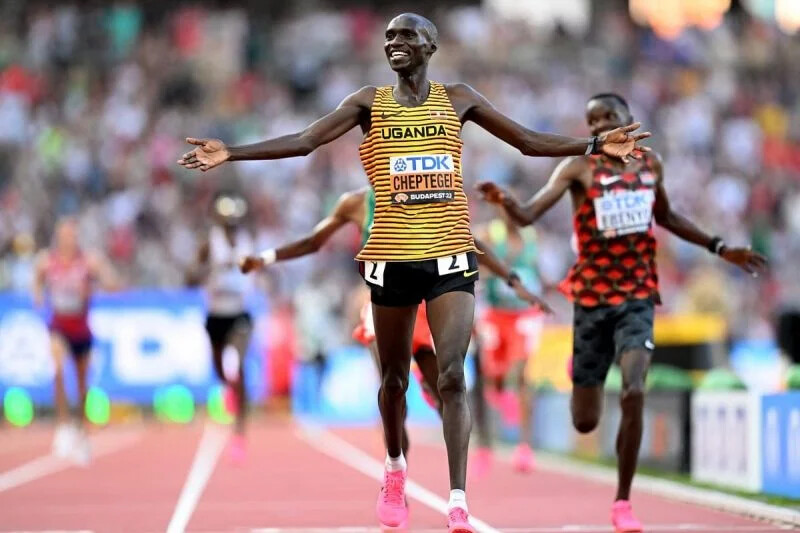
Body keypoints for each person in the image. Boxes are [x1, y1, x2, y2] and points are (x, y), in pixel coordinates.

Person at [178, 13, 648, 531]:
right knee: (395, 380)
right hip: (391, 259)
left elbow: (527, 141)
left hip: (450, 255)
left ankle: (457, 500)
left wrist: (592, 145)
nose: (394, 43)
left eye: (405, 36)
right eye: (388, 37)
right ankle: (395, 466)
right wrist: (233, 153)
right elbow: (306, 140)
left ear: (430, 45)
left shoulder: (459, 98)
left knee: (453, 377)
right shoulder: (367, 103)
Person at [477, 92, 767, 533]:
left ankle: (623, 502)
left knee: (634, 390)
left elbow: (668, 217)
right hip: (591, 301)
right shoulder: (577, 167)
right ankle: (583, 367)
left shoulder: (650, 166)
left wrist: (719, 246)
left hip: (637, 296)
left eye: (608, 117)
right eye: (592, 121)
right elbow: (529, 215)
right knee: (585, 420)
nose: (600, 126)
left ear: (630, 119)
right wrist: (505, 202)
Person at [239, 186, 550, 457]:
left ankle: (431, 391)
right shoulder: (356, 203)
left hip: (425, 304)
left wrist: (512, 279)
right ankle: (397, 472)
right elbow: (314, 241)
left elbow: (470, 243)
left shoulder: (425, 197)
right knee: (393, 389)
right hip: (383, 302)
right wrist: (265, 258)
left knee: (446, 396)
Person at [32, 217, 121, 465]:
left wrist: (103, 278)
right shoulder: (47, 261)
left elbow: (111, 282)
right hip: (59, 326)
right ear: (58, 238)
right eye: (64, 236)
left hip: (81, 329)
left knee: (82, 385)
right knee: (58, 370)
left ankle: (81, 430)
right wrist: (38, 295)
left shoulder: (88, 261)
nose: (68, 240)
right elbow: (36, 279)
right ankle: (63, 426)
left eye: (71, 236)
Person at [472, 214, 546, 476]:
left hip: (524, 314)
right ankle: (501, 399)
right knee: (492, 375)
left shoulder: (531, 236)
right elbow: (476, 266)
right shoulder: (490, 234)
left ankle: (524, 447)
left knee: (521, 373)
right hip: (496, 314)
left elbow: (537, 271)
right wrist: (498, 271)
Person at [187, 191, 256, 464]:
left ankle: (239, 431)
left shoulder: (248, 241)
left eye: (235, 221)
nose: (232, 226)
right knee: (219, 368)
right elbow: (190, 277)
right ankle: (229, 388)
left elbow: (259, 268)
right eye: (227, 221)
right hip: (216, 313)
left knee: (237, 365)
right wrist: (206, 270)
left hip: (239, 312)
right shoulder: (210, 243)